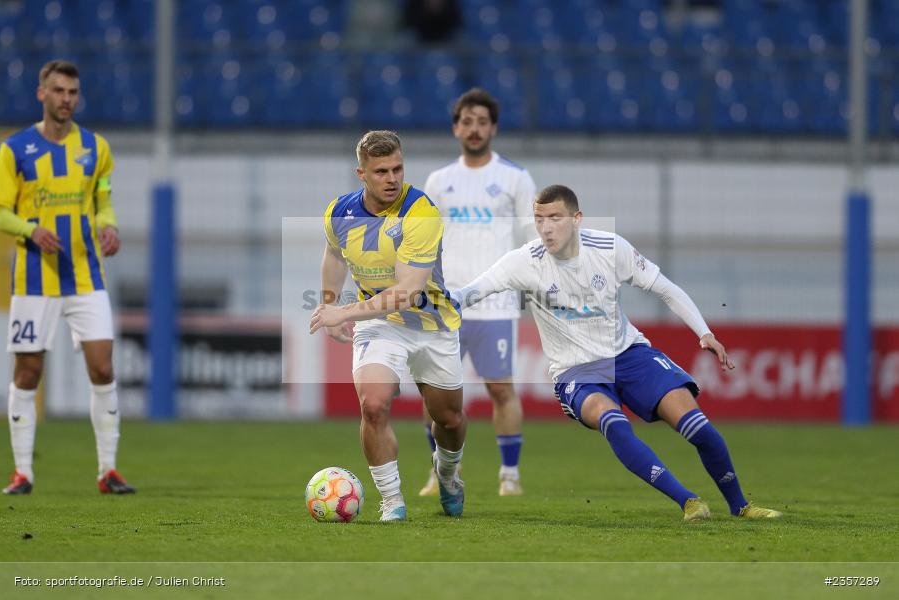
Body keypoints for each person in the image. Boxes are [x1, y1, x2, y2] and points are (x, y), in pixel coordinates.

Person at [453, 184, 782, 521]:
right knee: (615, 423)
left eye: (555, 217)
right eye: (539, 219)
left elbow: (666, 289)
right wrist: (434, 298)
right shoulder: (524, 261)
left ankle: (741, 505)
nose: (546, 227)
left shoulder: (610, 248)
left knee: (698, 427)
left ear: (577, 219)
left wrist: (705, 333)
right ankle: (688, 501)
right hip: (575, 372)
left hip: (628, 354)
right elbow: (470, 292)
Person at [310, 130, 467, 521]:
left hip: (431, 322)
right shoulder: (338, 213)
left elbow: (408, 292)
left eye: (397, 168)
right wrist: (329, 302)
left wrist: (342, 313)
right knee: (374, 405)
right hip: (379, 324)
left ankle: (447, 474)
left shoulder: (421, 212)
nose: (392, 178)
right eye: (381, 171)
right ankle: (392, 500)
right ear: (361, 173)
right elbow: (334, 255)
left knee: (448, 420)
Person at [0, 60, 134, 495]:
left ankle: (108, 471)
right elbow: (1, 210)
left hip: (85, 276)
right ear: (42, 94)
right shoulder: (14, 150)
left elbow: (103, 200)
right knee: (27, 372)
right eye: (58, 91)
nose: (66, 99)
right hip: (34, 279)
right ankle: (22, 473)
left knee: (103, 366)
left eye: (72, 92)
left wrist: (109, 224)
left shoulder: (96, 148)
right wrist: (29, 230)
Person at [420, 88, 536, 497]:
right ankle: (441, 472)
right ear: (456, 128)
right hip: (444, 303)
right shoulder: (438, 181)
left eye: (482, 121)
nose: (474, 128)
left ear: (494, 128)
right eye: (467, 121)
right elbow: (423, 240)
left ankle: (510, 475)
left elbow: (532, 239)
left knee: (500, 389)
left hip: (495, 303)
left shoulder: (515, 178)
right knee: (435, 394)